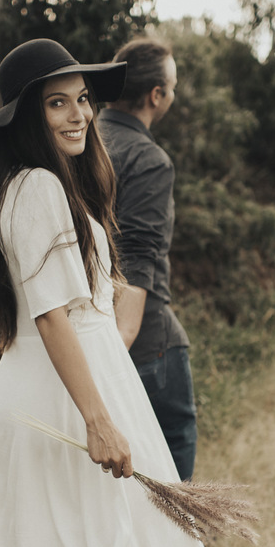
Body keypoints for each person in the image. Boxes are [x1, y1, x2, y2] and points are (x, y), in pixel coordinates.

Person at [0, 38, 212, 547]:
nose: (78, 115)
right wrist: (99, 419)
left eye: (82, 100)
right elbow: (51, 317)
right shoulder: (36, 186)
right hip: (60, 398)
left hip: (58, 388)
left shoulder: (38, 185)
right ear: (26, 117)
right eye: (57, 103)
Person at [97, 38, 197, 481]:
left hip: (82, 324)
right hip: (139, 335)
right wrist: (114, 353)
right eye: (172, 86)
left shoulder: (80, 138)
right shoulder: (149, 160)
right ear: (156, 94)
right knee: (171, 444)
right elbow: (137, 260)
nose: (173, 95)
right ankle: (176, 543)